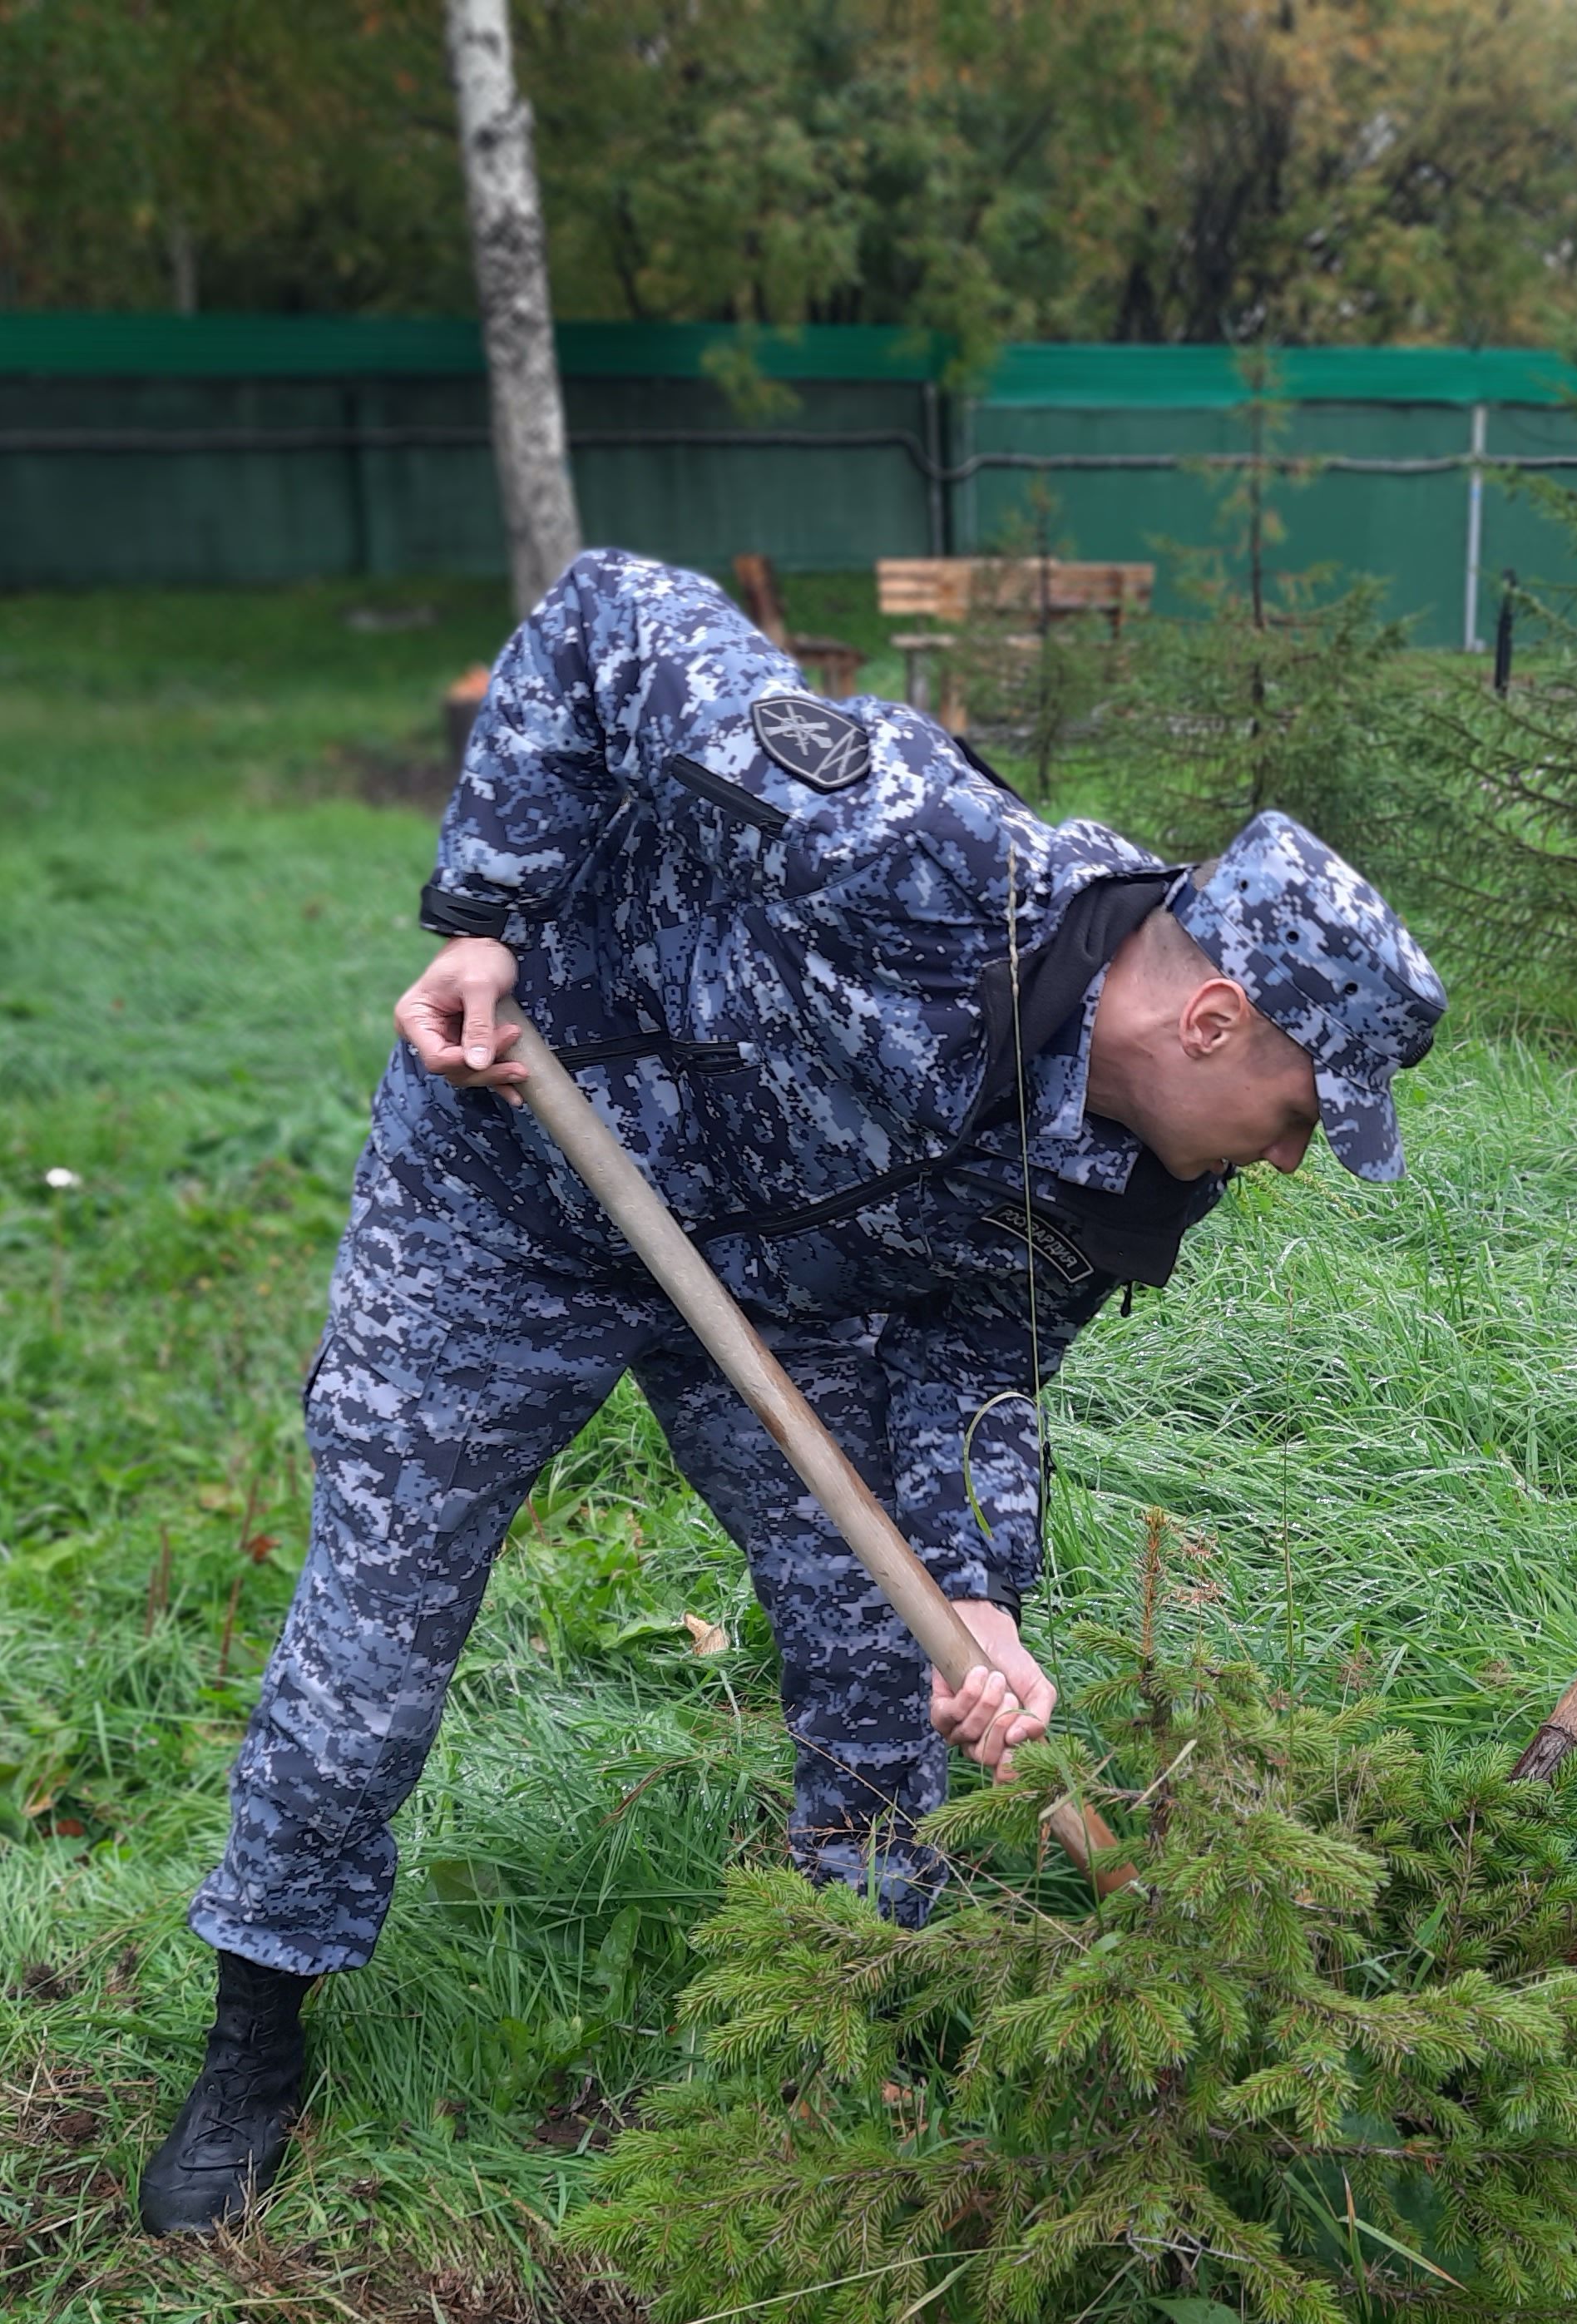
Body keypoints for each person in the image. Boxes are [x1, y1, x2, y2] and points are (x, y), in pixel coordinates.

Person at [137, 551, 1445, 2236]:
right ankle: (257, 2031)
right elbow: (608, 612)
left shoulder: (1125, 1175)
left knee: (884, 1638)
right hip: (519, 1179)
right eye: (1292, 1115)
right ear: (1212, 1019)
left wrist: (977, 1591)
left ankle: (847, 1988)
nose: (1279, 1160)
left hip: (766, 1291)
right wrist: (489, 917)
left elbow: (976, 1358)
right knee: (380, 1630)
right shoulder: (902, 844)